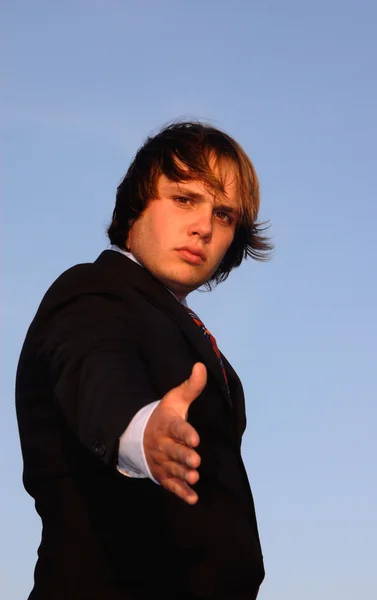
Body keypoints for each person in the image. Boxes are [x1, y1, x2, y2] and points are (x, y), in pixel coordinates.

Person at [16, 120, 273, 600]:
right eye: (184, 199)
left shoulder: (198, 344)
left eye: (224, 215)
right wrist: (142, 429)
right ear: (137, 203)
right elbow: (96, 369)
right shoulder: (91, 290)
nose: (203, 226)